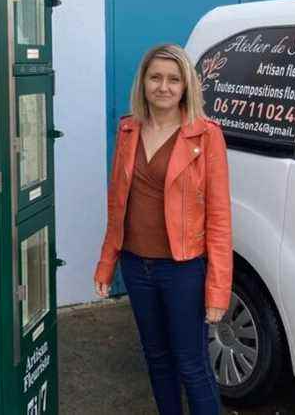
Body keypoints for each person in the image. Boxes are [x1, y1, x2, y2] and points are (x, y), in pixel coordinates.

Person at [94, 44, 233, 415]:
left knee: (192, 364)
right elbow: (118, 204)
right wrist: (107, 262)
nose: (164, 87)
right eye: (155, 77)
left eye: (173, 79)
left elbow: (219, 218)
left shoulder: (205, 136)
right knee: (156, 358)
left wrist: (218, 289)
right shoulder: (128, 130)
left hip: (183, 268)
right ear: (143, 82)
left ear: (186, 86)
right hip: (136, 266)